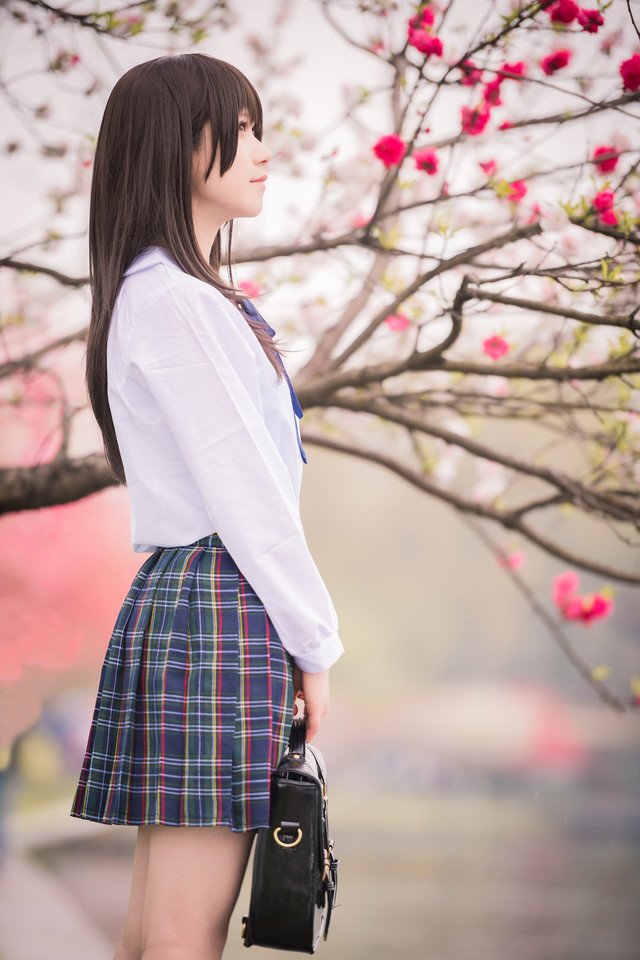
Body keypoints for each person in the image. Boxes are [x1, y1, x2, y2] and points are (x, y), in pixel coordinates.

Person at [69, 53, 345, 960]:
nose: (263, 149)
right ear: (173, 144)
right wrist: (315, 645)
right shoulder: (176, 303)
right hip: (221, 603)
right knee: (183, 938)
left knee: (155, 932)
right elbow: (251, 496)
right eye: (242, 126)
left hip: (188, 602)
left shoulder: (163, 295)